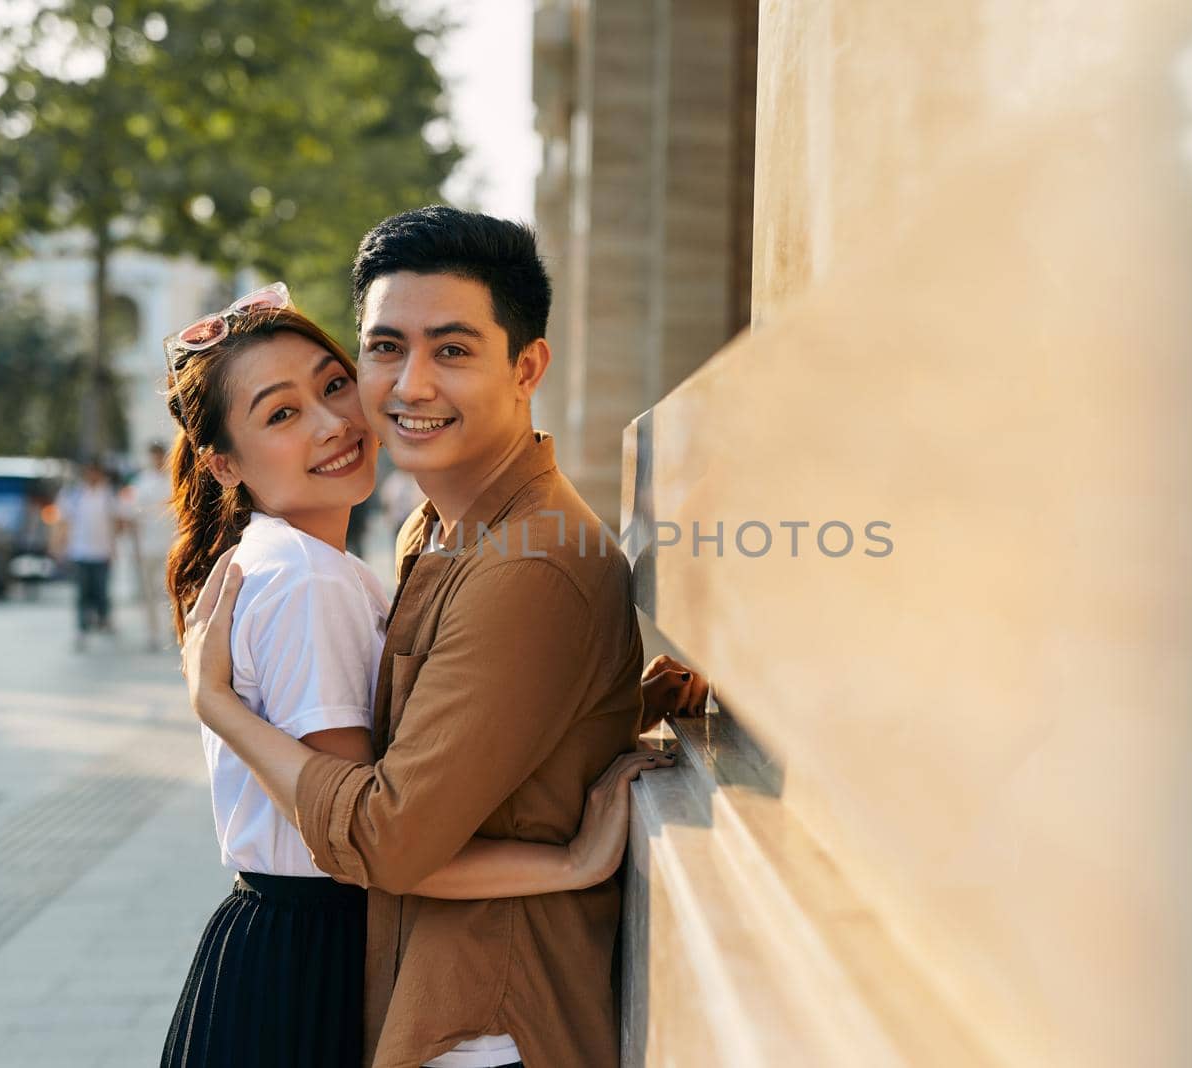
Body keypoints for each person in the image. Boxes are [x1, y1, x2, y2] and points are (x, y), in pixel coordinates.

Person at [182, 208, 708, 1068]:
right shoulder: (433, 528)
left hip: (481, 1025)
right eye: (385, 349)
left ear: (526, 366)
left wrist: (215, 707)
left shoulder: (524, 566)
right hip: (425, 997)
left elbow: (388, 836)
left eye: (453, 351)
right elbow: (465, 736)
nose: (409, 385)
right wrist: (617, 704)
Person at [57, 460, 122, 650]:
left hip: (102, 552)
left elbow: (115, 522)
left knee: (101, 590)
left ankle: (103, 618)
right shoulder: (74, 495)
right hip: (80, 551)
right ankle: (81, 627)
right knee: (82, 592)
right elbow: (64, 521)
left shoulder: (107, 495)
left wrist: (114, 546)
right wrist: (58, 545)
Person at [125, 441, 175, 649]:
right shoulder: (140, 483)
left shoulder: (174, 481)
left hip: (171, 545)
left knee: (173, 592)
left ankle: (175, 630)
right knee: (149, 594)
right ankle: (152, 633)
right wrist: (134, 546)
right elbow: (133, 518)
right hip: (147, 546)